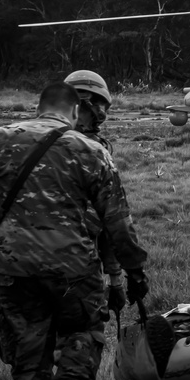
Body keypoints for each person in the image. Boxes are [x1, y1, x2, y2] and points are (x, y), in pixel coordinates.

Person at [0, 82, 149, 380]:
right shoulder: (90, 150)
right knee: (84, 327)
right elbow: (117, 220)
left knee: (26, 333)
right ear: (74, 110)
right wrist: (133, 271)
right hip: (74, 264)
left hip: (13, 264)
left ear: (39, 107)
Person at [63, 70, 126, 319]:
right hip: (76, 270)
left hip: (16, 268)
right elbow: (112, 220)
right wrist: (117, 279)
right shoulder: (95, 152)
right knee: (79, 349)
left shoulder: (22, 140)